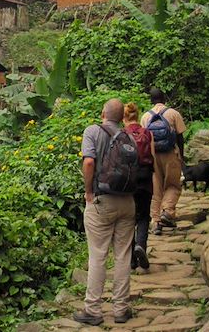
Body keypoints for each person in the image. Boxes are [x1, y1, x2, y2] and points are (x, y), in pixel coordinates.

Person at [73, 98, 135, 326]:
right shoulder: (129, 136)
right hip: (127, 202)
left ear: (103, 113)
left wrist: (88, 192)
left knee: (98, 255)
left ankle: (93, 310)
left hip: (101, 201)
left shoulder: (92, 131)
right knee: (123, 255)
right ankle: (121, 309)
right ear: (122, 117)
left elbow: (89, 163)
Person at [141, 88, 186, 235]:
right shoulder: (173, 113)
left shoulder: (145, 117)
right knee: (173, 184)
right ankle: (167, 211)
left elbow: (144, 140)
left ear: (151, 100)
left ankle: (156, 222)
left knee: (156, 189)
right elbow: (180, 137)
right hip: (170, 154)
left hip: (153, 157)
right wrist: (182, 156)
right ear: (164, 99)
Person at [123, 102, 155, 270]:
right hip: (144, 178)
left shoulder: (121, 134)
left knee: (128, 218)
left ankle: (131, 260)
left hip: (127, 180)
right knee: (143, 216)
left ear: (124, 117)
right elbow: (153, 156)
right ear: (138, 115)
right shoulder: (147, 133)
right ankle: (140, 245)